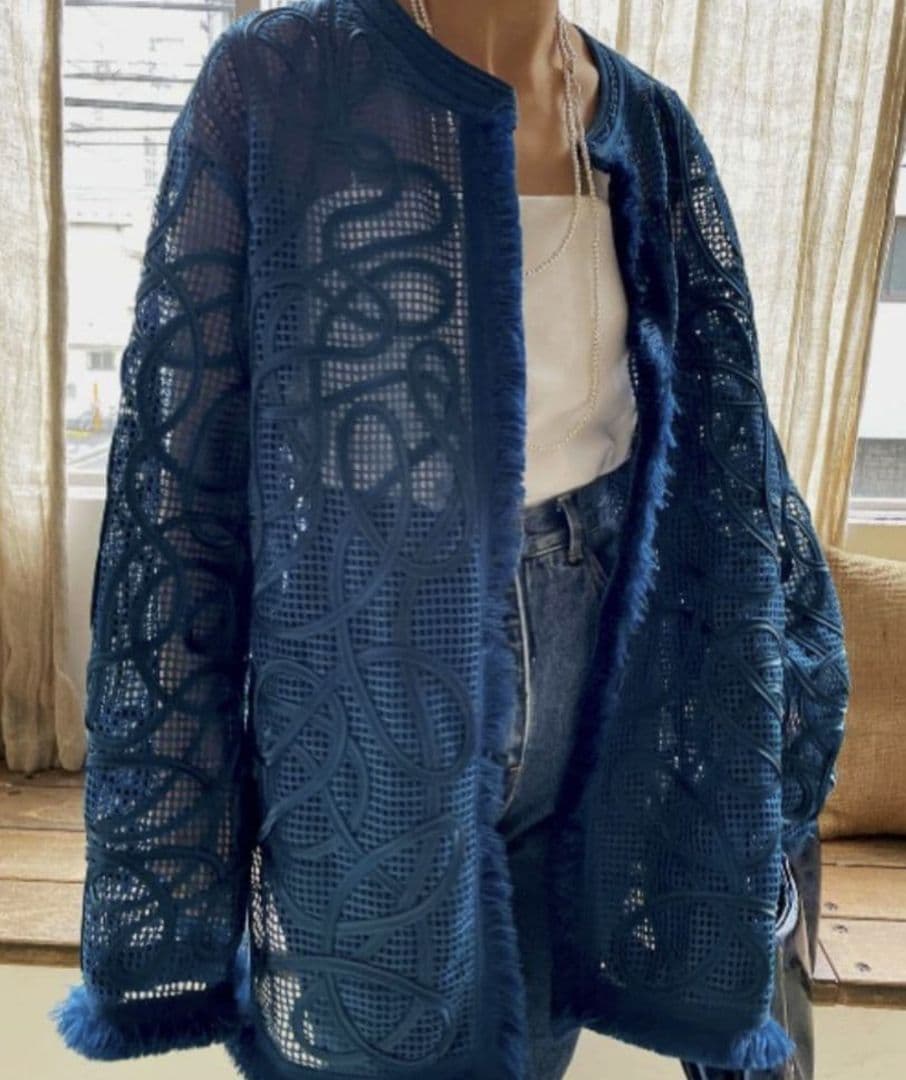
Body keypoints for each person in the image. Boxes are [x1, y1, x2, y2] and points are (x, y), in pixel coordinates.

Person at [51, 2, 850, 1078]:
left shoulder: (648, 128)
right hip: (369, 688)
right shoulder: (277, 81)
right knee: (363, 1047)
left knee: (531, 1049)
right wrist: (178, 827)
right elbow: (183, 486)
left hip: (593, 708)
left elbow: (729, 461)